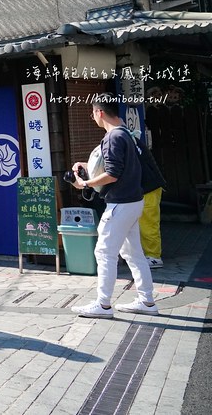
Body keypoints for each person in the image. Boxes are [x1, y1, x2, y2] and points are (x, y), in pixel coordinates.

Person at [70, 97, 157, 318]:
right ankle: (147, 302)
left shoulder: (113, 137)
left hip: (120, 204)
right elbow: (117, 168)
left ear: (99, 112)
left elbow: (112, 174)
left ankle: (103, 304)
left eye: (92, 114)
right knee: (134, 253)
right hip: (134, 201)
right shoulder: (125, 133)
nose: (93, 118)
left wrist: (85, 183)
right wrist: (85, 166)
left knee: (104, 252)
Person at [133, 129, 166, 269]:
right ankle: (150, 254)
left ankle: (154, 257)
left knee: (148, 224)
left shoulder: (126, 143)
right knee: (146, 223)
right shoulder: (132, 142)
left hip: (149, 187)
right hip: (150, 186)